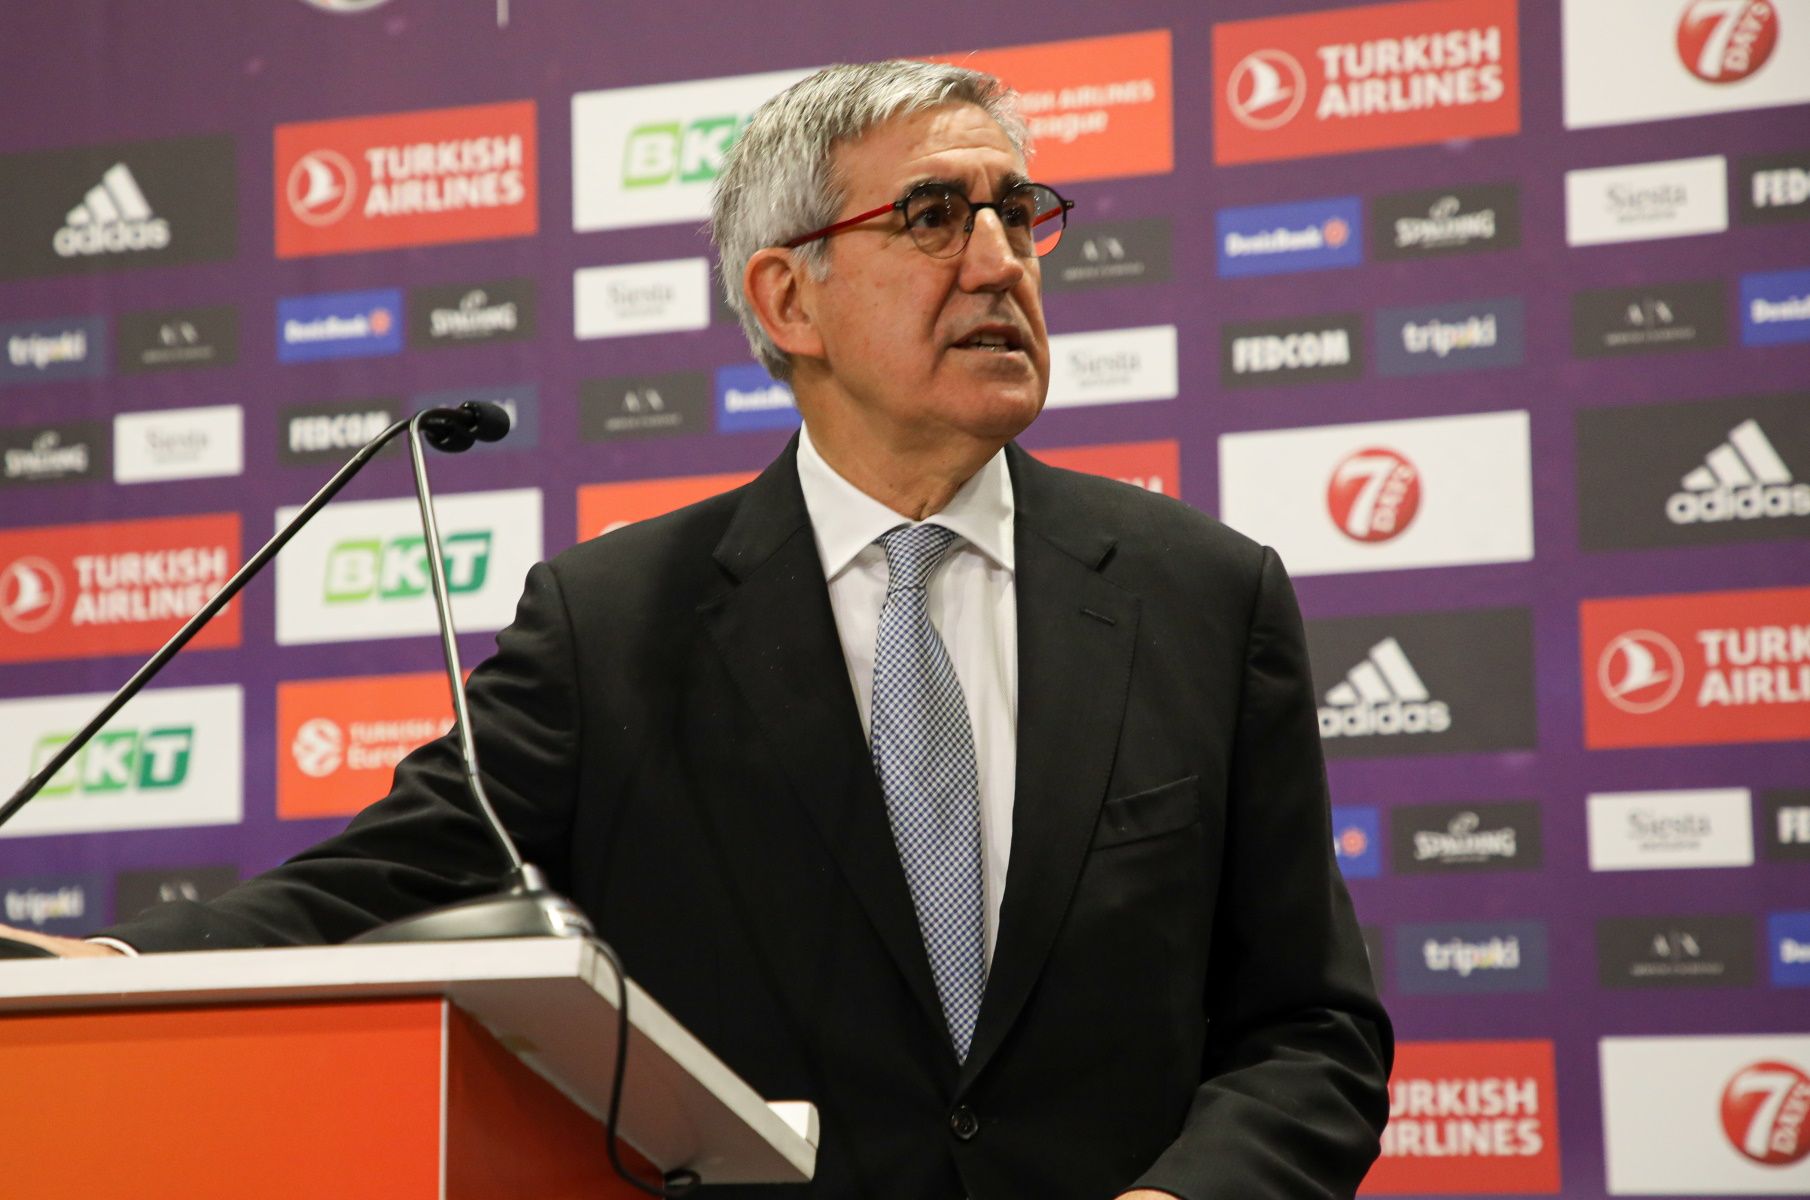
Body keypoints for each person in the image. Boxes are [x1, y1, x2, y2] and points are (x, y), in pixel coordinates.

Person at [7, 61, 1390, 1200]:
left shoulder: (1203, 596)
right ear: (788, 299)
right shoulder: (615, 626)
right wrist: (117, 968)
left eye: (1016, 213)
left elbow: (1309, 1029)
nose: (996, 260)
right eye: (931, 216)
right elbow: (387, 880)